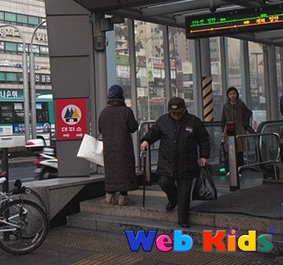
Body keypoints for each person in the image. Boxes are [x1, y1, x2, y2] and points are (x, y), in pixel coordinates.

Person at [140, 97, 211, 228]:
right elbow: (153, 133)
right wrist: (146, 141)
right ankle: (173, 200)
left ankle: (183, 220)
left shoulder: (194, 122)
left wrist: (204, 156)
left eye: (178, 113)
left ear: (184, 110)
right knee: (164, 182)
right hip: (168, 162)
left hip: (186, 163)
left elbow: (204, 140)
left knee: (184, 194)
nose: (176, 115)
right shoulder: (163, 121)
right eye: (173, 113)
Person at [98, 84, 139, 206]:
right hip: (124, 148)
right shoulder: (126, 111)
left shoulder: (104, 112)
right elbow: (133, 127)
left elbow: (100, 129)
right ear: (121, 96)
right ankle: (123, 197)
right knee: (124, 170)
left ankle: (110, 197)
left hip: (109, 148)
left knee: (111, 170)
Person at [220, 86, 252, 175]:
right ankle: (229, 170)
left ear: (237, 94)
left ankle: (239, 170)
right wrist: (223, 130)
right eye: (230, 94)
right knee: (229, 151)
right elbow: (223, 119)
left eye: (234, 93)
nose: (232, 96)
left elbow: (248, 113)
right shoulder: (226, 106)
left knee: (239, 152)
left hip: (239, 129)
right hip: (229, 130)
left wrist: (244, 124)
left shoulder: (241, 104)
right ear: (228, 96)